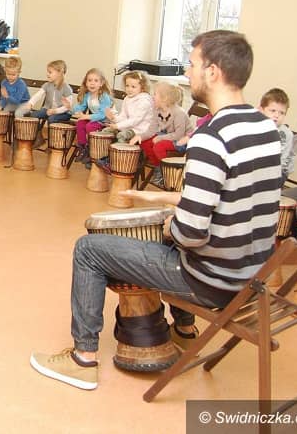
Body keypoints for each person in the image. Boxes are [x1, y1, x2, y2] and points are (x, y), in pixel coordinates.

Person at [29, 30, 281, 391]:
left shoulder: (212, 137)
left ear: (213, 72)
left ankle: (82, 359)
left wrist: (170, 226)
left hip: (211, 280)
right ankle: (183, 330)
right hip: (252, 277)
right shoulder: (265, 128)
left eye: (192, 64)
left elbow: (191, 234)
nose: (187, 72)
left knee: (89, 250)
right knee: (161, 228)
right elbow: (239, 202)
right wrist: (168, 203)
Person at [137, 81, 188, 167]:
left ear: (164, 98)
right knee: (144, 142)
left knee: (159, 146)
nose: (152, 97)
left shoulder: (179, 113)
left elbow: (179, 135)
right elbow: (152, 130)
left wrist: (160, 138)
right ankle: (157, 165)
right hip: (166, 136)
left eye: (155, 94)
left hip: (180, 141)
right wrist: (140, 137)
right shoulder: (157, 110)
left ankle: (165, 168)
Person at [101, 71, 157, 144]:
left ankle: (121, 151)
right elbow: (123, 116)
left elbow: (135, 120)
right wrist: (113, 118)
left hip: (140, 129)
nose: (129, 89)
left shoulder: (144, 102)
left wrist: (117, 126)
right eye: (127, 86)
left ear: (142, 88)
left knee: (122, 136)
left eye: (133, 87)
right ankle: (107, 150)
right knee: (106, 131)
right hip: (128, 127)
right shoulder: (127, 98)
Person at [70, 68, 113, 159]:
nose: (92, 83)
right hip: (94, 119)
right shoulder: (88, 95)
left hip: (105, 122)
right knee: (80, 123)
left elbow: (102, 115)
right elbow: (81, 107)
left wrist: (86, 116)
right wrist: (70, 108)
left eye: (96, 81)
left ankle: (92, 148)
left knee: (90, 126)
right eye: (89, 80)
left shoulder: (104, 96)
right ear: (86, 82)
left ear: (101, 83)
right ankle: (83, 147)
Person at [258, 88, 296, 184]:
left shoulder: (286, 134)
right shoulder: (255, 127)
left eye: (282, 113)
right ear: (261, 110)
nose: (277, 115)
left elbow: (283, 158)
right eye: (273, 110)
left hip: (279, 170)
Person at [29, 59, 74, 124]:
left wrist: (55, 111)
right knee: (34, 115)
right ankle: (36, 129)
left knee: (52, 118)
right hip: (48, 109)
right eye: (47, 72)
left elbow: (67, 107)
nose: (47, 74)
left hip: (64, 113)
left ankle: (52, 131)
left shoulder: (66, 88)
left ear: (59, 73)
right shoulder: (47, 85)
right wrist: (30, 103)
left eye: (50, 72)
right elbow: (38, 95)